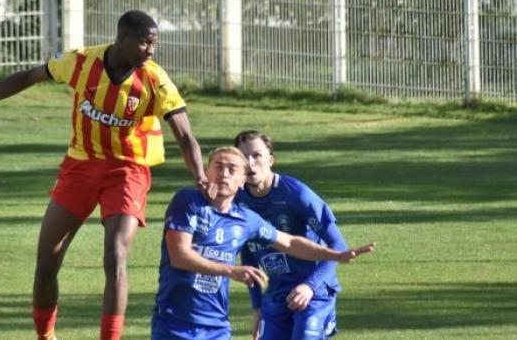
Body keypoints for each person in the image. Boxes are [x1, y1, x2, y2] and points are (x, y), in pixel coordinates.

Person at [0, 10, 211, 340]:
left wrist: (200, 176)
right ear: (122, 38)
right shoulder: (81, 62)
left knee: (116, 256)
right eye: (144, 43)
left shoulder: (155, 80)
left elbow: (184, 135)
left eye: (155, 44)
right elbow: (28, 76)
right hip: (79, 167)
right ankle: (45, 336)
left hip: (127, 171)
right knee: (46, 266)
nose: (151, 50)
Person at [151, 146, 374, 340]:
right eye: (218, 166)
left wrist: (335, 254)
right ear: (207, 172)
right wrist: (231, 271)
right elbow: (179, 256)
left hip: (217, 327)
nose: (223, 174)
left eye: (232, 169)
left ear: (242, 181)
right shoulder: (188, 202)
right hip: (173, 322)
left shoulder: (246, 219)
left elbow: (290, 242)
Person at [234, 130, 348, 340]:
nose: (250, 163)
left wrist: (310, 286)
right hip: (277, 293)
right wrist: (257, 307)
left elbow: (338, 245)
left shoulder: (296, 194)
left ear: (270, 160)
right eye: (243, 157)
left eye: (257, 155)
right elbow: (248, 254)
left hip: (314, 291)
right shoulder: (237, 202)